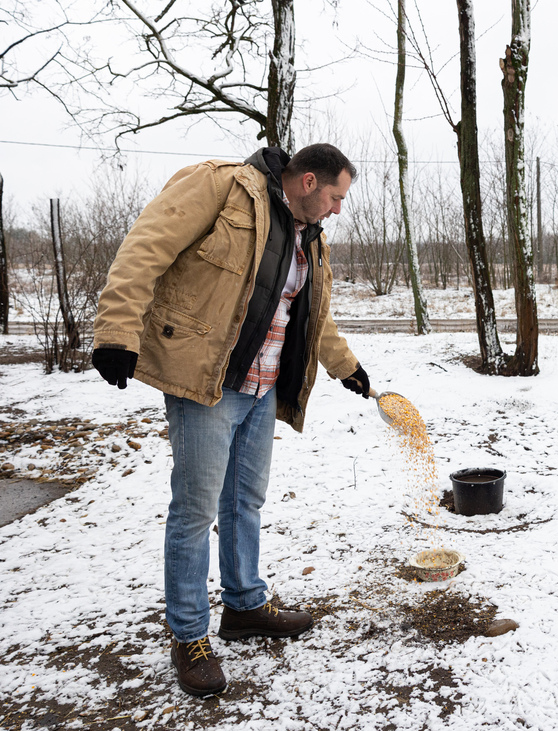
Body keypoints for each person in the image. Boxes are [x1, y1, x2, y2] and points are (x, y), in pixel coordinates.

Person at [91, 144, 374, 697]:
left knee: (245, 502)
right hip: (209, 383)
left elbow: (312, 314)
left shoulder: (309, 238)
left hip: (263, 391)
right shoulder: (223, 188)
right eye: (337, 197)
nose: (339, 209)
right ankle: (189, 635)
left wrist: (346, 368)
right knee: (195, 511)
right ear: (310, 181)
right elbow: (146, 247)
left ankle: (245, 606)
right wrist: (116, 331)